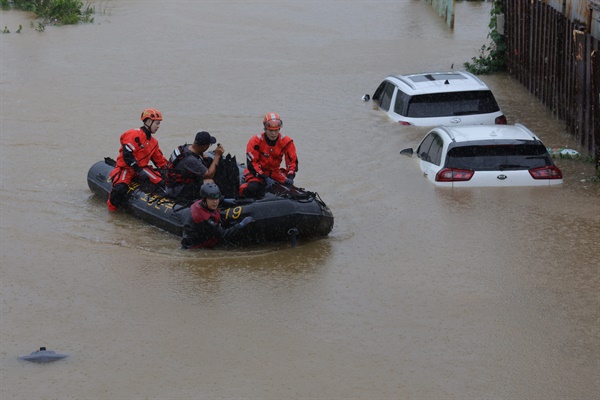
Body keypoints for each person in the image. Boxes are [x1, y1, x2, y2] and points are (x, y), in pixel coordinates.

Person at [107, 108, 168, 212]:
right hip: (126, 168)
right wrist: (138, 170)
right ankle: (112, 212)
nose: (158, 126)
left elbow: (160, 161)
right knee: (119, 189)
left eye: (159, 124)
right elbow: (127, 155)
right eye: (157, 123)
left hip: (142, 168)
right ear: (148, 121)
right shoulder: (134, 134)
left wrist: (169, 171)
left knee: (162, 183)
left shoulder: (154, 142)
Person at [239, 112, 298, 198]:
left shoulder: (287, 142)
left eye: (276, 130)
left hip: (275, 172)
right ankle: (242, 194)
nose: (273, 134)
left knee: (290, 190)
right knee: (253, 187)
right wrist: (265, 178)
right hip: (257, 172)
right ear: (265, 129)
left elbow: (292, 161)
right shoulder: (255, 141)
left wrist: (290, 177)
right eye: (270, 131)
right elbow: (252, 164)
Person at [181, 183, 253, 249]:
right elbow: (223, 234)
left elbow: (213, 198)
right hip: (195, 247)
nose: (215, 202)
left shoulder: (203, 202)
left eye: (216, 198)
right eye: (212, 199)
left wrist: (223, 200)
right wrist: (241, 224)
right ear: (204, 199)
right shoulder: (204, 218)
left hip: (204, 234)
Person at [165, 131, 225, 202]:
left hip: (175, 183)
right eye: (209, 145)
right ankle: (219, 200)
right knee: (210, 182)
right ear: (204, 147)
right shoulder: (190, 159)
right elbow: (209, 175)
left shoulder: (187, 148)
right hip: (176, 190)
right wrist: (217, 156)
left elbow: (203, 157)